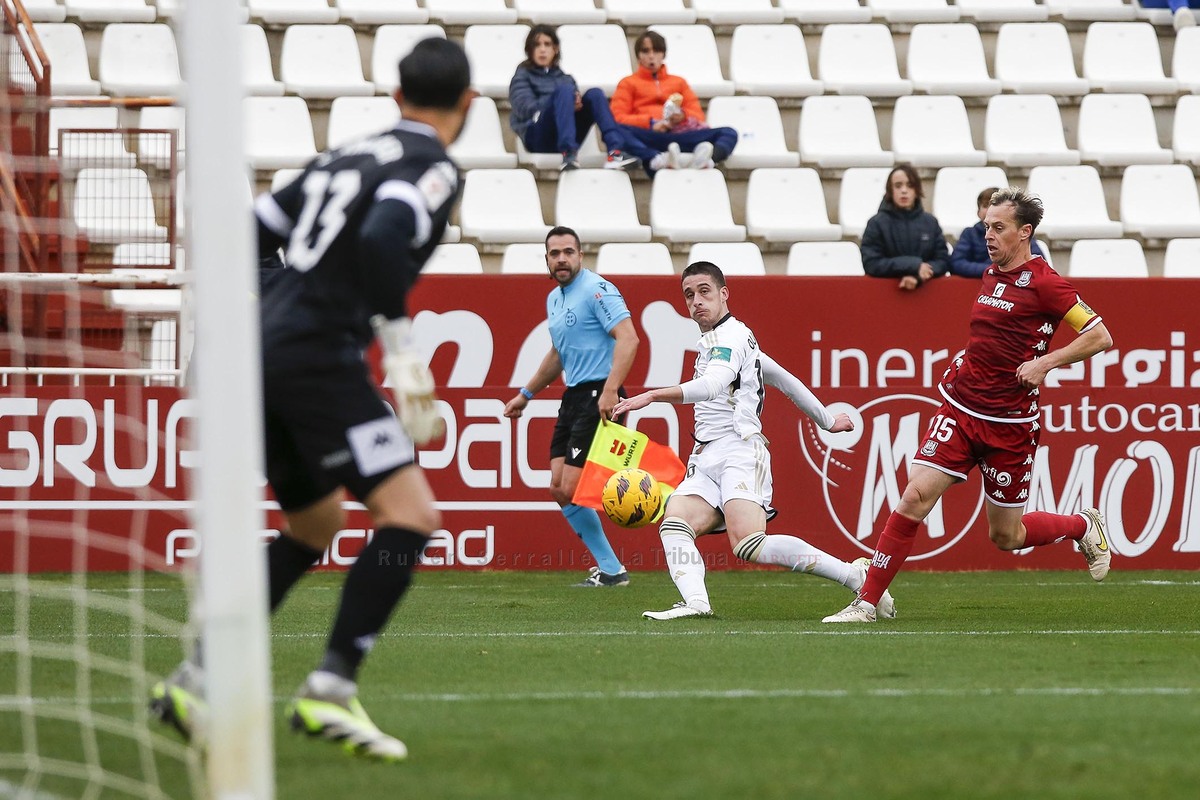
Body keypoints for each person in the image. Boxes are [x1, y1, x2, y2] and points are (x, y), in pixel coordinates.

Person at [150, 38, 475, 761]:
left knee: (315, 521)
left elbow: (251, 232)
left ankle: (196, 675)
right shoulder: (432, 168)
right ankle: (330, 690)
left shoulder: (344, 156)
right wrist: (399, 350)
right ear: (469, 106)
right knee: (412, 515)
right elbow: (389, 232)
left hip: (261, 350)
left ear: (395, 98)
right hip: (319, 355)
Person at [824, 187, 1115, 624]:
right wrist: (970, 359)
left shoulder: (1046, 283)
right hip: (960, 411)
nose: (989, 236)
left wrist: (1046, 363)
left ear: (1025, 232)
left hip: (1011, 424)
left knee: (1007, 535)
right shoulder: (991, 274)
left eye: (999, 228)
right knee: (913, 499)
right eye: (986, 228)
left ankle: (1081, 526)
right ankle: (866, 602)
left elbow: (1100, 335)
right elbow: (994, 336)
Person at [611, 262, 896, 620]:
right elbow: (784, 378)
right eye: (689, 295)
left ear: (723, 294)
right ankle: (696, 602)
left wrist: (652, 396)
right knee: (675, 522)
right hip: (705, 456)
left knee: (749, 545)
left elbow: (712, 385)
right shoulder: (727, 340)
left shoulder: (729, 338)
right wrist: (826, 420)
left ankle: (855, 575)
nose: (696, 301)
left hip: (740, 450)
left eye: (705, 291)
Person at [503, 226, 640, 587]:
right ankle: (612, 571)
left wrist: (611, 391)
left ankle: (645, 492)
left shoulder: (598, 290)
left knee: (575, 485)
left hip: (600, 394)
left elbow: (629, 339)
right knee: (559, 488)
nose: (561, 259)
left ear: (581, 255)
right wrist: (525, 394)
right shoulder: (555, 298)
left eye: (568, 252)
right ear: (546, 260)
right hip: (574, 396)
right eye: (554, 253)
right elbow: (557, 355)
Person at [508, 25, 642, 172]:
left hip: (566, 131)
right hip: (538, 136)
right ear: (530, 49)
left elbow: (572, 105)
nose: (542, 49)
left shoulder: (566, 79)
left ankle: (615, 151)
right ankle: (569, 152)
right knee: (564, 92)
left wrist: (573, 104)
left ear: (555, 49)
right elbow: (525, 108)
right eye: (537, 45)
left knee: (595, 94)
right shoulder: (522, 76)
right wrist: (560, 103)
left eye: (547, 44)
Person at [609, 30, 739, 176]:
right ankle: (655, 158)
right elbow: (617, 117)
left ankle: (707, 161)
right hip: (649, 137)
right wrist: (651, 123)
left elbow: (698, 115)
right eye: (646, 51)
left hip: (680, 135)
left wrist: (682, 117)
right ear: (638, 56)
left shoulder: (678, 82)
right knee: (615, 130)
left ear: (663, 54)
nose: (651, 56)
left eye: (656, 50)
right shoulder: (628, 83)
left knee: (728, 133)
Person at [861, 163, 949, 291]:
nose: (904, 190)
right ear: (890, 190)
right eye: (898, 185)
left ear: (917, 190)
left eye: (910, 185)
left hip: (926, 296)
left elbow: (943, 260)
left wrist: (919, 276)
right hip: (884, 296)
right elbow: (871, 264)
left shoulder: (930, 222)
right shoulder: (876, 224)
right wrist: (913, 266)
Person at [950, 186, 1045, 278]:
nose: (988, 236)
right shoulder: (969, 234)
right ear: (978, 212)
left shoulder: (1018, 232)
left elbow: (1037, 260)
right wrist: (994, 269)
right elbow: (957, 263)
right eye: (985, 205)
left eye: (999, 228)